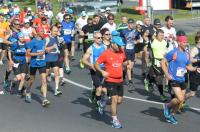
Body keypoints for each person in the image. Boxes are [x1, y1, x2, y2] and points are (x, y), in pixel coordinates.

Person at [161, 30, 200, 125]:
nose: (186, 44)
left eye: (186, 42)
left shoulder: (186, 54)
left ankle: (171, 115)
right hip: (174, 79)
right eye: (184, 42)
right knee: (180, 98)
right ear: (179, 42)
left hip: (182, 79)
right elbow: (163, 62)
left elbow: (188, 66)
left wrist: (195, 69)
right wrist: (166, 74)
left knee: (180, 101)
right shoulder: (173, 52)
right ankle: (167, 106)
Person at [95, 36, 126, 129]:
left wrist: (125, 65)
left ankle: (103, 102)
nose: (120, 47)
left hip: (120, 81)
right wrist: (102, 71)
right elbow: (96, 64)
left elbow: (123, 61)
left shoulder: (121, 52)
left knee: (119, 101)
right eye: (118, 45)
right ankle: (115, 120)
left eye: (121, 45)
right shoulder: (106, 53)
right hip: (110, 81)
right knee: (114, 99)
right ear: (113, 44)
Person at [82, 32, 107, 114]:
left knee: (104, 90)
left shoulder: (104, 47)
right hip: (95, 70)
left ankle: (95, 94)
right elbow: (84, 59)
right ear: (94, 39)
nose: (100, 39)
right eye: (98, 38)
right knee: (99, 88)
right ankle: (99, 104)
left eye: (101, 37)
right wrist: (90, 64)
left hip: (103, 70)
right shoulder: (90, 48)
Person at [26, 27, 50, 107]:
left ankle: (44, 99)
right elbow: (28, 53)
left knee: (44, 80)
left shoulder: (44, 41)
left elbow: (44, 49)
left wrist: (47, 50)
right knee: (32, 80)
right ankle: (28, 90)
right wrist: (37, 54)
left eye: (43, 31)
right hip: (34, 64)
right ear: (37, 32)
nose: (43, 32)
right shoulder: (32, 42)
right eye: (41, 31)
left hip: (42, 63)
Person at [45, 26, 62, 96]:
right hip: (47, 59)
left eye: (57, 31)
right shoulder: (47, 38)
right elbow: (44, 48)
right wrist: (52, 47)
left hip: (55, 58)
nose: (56, 32)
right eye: (54, 31)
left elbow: (58, 46)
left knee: (56, 72)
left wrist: (58, 50)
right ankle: (44, 85)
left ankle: (56, 89)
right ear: (51, 31)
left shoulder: (57, 38)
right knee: (46, 74)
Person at [10, 32, 27, 96]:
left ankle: (19, 91)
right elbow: (9, 51)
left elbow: (28, 51)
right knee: (19, 78)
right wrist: (11, 60)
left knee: (23, 78)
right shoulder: (15, 44)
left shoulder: (26, 44)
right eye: (21, 37)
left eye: (23, 37)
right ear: (18, 38)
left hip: (24, 62)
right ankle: (13, 82)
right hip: (16, 62)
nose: (22, 38)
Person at [185, 35, 200, 103]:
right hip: (195, 74)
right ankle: (181, 100)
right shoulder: (194, 49)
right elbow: (190, 60)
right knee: (192, 93)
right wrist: (198, 59)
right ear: (198, 40)